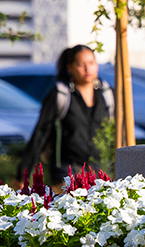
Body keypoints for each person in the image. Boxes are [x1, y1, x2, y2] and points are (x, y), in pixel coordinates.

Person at [18, 44, 113, 183]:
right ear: (70, 67)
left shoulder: (107, 93)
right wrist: (22, 174)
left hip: (101, 170)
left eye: (92, 63)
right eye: (81, 64)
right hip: (67, 171)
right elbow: (40, 133)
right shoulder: (61, 94)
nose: (88, 69)